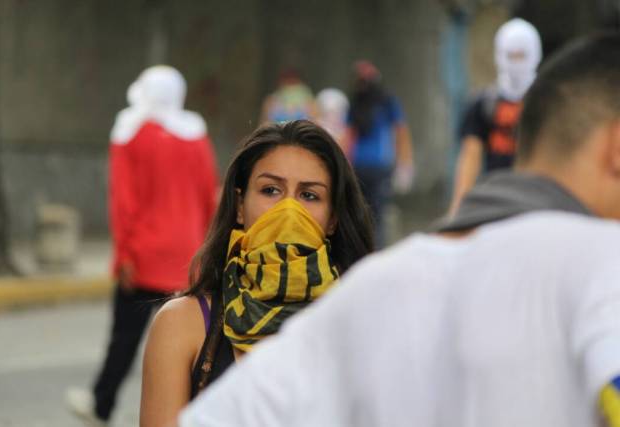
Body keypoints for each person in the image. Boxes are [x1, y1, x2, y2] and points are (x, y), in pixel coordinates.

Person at [179, 33, 620, 427]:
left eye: (310, 195)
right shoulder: (604, 265)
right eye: (271, 190)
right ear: (616, 148)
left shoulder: (368, 290)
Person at [139, 120, 374, 427]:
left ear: (333, 220)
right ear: (240, 206)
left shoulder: (366, 324)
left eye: (309, 196)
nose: (288, 211)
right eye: (271, 190)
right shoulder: (183, 325)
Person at [66, 65, 218, 426]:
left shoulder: (129, 132)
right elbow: (208, 197)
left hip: (144, 255)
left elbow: (123, 202)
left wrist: (124, 255)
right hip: (189, 256)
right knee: (193, 345)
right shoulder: (196, 135)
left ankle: (101, 405)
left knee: (125, 338)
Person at [449, 18, 542, 214]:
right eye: (511, 55)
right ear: (500, 55)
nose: (516, 63)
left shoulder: (548, 101)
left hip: (538, 196)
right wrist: (459, 205)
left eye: (522, 56)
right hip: (496, 196)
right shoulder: (483, 103)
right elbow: (471, 154)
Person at [345, 60, 414, 247]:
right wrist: (405, 163)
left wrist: (405, 162)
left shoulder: (375, 102)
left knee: (367, 213)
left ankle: (369, 252)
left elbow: (348, 137)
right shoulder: (380, 101)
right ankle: (373, 252)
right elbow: (401, 131)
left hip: (367, 165)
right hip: (374, 165)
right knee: (376, 215)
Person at [315, 87, 349, 153]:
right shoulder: (317, 129)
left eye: (336, 112)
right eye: (330, 112)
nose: (333, 116)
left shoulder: (343, 132)